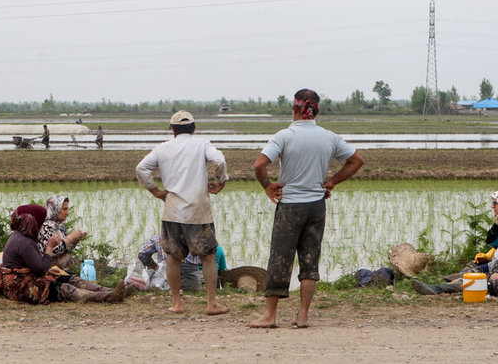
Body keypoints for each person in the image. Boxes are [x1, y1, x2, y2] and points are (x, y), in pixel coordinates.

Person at [247, 89, 364, 328]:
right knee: (310, 259)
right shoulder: (329, 137)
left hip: (290, 206)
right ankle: (303, 315)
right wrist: (331, 182)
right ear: (316, 110)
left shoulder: (284, 136)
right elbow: (356, 161)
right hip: (316, 206)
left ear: (295, 108)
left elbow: (259, 164)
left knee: (280, 257)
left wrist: (268, 185)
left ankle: (270, 316)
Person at [136, 110, 229, 315]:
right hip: (198, 211)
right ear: (194, 128)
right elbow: (220, 161)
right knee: (208, 256)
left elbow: (142, 169)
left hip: (172, 211)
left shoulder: (162, 149)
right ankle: (211, 303)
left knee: (173, 257)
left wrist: (156, 192)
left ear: (172, 130)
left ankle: (177, 303)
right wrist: (220, 182)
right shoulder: (201, 144)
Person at [0, 204, 125, 304]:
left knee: (70, 278)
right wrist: (50, 247)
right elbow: (41, 269)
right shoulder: (24, 242)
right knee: (64, 288)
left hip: (27, 279)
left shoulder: (21, 237)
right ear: (33, 223)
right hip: (22, 287)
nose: (42, 226)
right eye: (40, 222)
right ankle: (109, 297)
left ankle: (110, 291)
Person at [442, 189, 498, 282]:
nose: (492, 206)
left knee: (471, 273)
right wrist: (497, 225)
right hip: (497, 262)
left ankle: (452, 284)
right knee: (470, 267)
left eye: (495, 203)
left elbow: (497, 246)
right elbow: (491, 241)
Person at [138, 233, 227, 291]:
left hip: (164, 280)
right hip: (191, 282)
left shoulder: (159, 237)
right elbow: (208, 261)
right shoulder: (196, 238)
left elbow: (142, 254)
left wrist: (155, 267)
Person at [37, 195, 87, 269]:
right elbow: (54, 250)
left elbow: (66, 249)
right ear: (55, 209)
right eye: (64, 209)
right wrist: (71, 237)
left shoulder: (59, 226)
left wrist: (76, 239)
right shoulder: (46, 226)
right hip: (50, 267)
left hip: (62, 263)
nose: (67, 213)